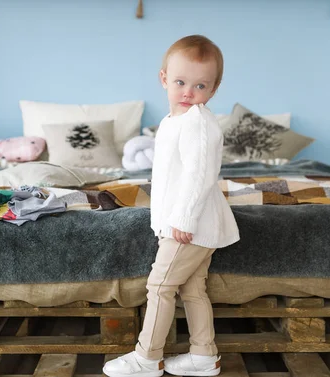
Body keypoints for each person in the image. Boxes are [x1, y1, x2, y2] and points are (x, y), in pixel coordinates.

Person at [103, 34, 240, 377]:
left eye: (200, 85)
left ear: (214, 89)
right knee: (193, 290)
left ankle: (147, 357)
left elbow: (199, 177)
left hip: (190, 226)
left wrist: (181, 217)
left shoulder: (198, 123)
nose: (188, 92)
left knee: (160, 287)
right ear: (164, 78)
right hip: (186, 224)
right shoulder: (171, 122)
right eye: (180, 82)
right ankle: (204, 355)